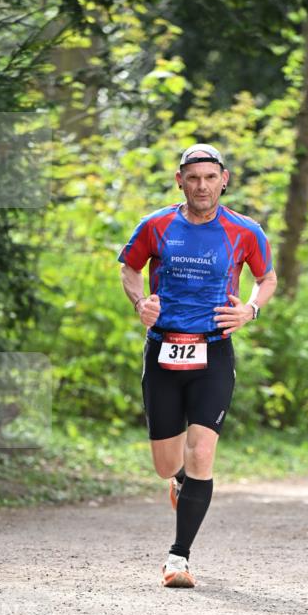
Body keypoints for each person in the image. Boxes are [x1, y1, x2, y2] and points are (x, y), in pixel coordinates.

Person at [118, 143, 277, 588]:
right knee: (166, 464)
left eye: (210, 177)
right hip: (163, 349)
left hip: (214, 351)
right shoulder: (156, 225)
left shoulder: (245, 230)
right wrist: (140, 303)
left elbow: (266, 278)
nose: (202, 186)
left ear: (224, 180)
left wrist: (249, 310)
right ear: (180, 181)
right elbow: (129, 268)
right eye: (193, 178)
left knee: (202, 451)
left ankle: (178, 558)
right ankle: (178, 480)